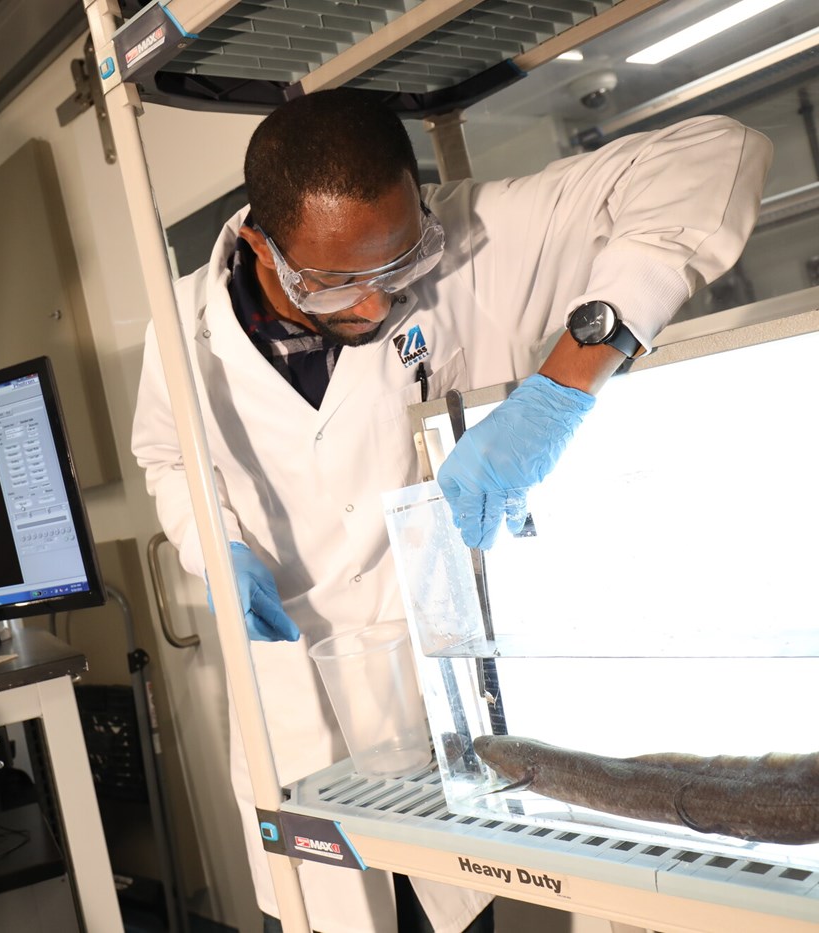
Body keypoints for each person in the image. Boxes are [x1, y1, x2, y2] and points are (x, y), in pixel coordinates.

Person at [132, 90, 771, 933]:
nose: (373, 305)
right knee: (320, 914)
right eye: (334, 282)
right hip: (292, 720)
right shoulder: (179, 320)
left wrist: (560, 387)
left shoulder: (477, 239)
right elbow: (166, 452)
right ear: (260, 243)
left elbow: (721, 154)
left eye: (398, 266)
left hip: (440, 711)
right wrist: (204, 543)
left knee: (453, 911)